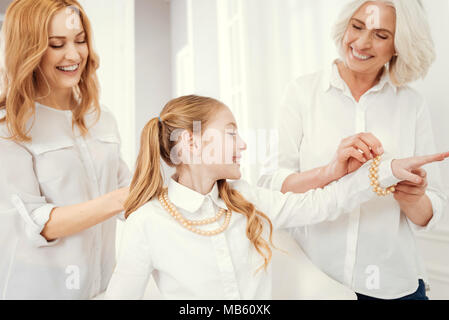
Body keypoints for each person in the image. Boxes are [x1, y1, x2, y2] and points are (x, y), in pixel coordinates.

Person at [104, 95, 448, 300]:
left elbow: (320, 204)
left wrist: (387, 170)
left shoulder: (245, 198)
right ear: (192, 143)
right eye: (230, 133)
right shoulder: (147, 223)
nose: (242, 144)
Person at [258, 0, 447, 300]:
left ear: (399, 45)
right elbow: (271, 185)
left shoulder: (411, 105)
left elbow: (431, 211)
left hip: (393, 285)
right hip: (316, 280)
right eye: (357, 27)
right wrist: (329, 172)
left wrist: (414, 198)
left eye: (381, 35)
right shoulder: (302, 93)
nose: (361, 42)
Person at [0, 0, 130, 299]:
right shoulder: (9, 128)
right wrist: (121, 199)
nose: (74, 55)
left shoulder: (101, 117)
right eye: (57, 44)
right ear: (28, 50)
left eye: (80, 40)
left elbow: (125, 187)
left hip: (101, 291)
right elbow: (35, 223)